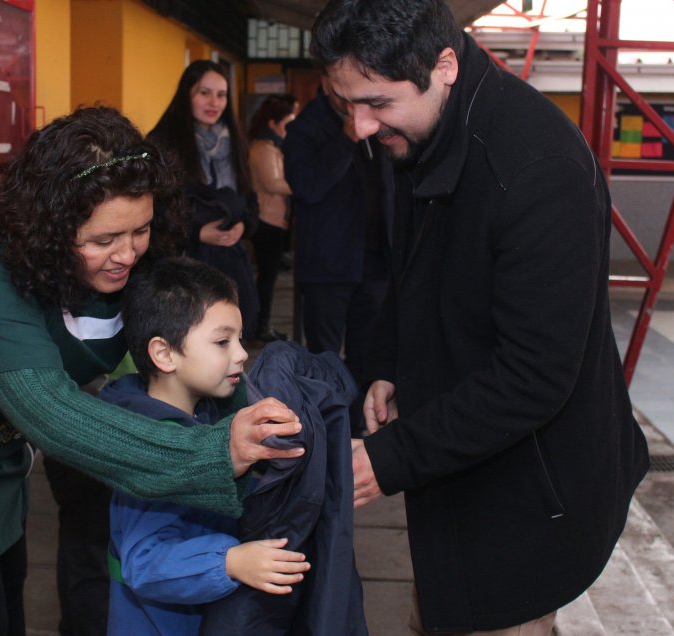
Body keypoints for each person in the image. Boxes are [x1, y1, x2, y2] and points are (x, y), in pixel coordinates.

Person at [0, 106, 304, 636]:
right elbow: (52, 413)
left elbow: (196, 338)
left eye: (141, 230)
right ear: (51, 229)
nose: (127, 254)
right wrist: (215, 452)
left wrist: (255, 426)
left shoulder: (125, 244)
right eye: (103, 241)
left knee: (8, 596)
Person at [310, 1, 651, 634]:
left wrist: (387, 460)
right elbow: (412, 270)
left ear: (444, 65)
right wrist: (390, 363)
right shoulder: (427, 130)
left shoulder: (535, 169)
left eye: (377, 103)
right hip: (461, 465)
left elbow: (534, 376)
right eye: (345, 103)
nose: (359, 126)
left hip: (531, 493)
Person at [101, 256, 311, 635]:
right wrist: (228, 562)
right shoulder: (152, 448)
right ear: (164, 354)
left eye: (240, 339)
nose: (242, 354)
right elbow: (143, 562)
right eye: (222, 341)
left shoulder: (205, 415)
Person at [282, 74, 393, 394]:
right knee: (325, 360)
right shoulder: (304, 128)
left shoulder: (378, 118)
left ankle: (359, 430)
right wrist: (346, 139)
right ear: (327, 82)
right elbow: (307, 187)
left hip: (374, 262)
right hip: (328, 266)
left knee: (368, 354)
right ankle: (329, 430)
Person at [148, 60, 261, 340]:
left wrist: (243, 226)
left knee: (231, 336)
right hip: (183, 264)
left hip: (230, 263)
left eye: (221, 95)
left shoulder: (234, 142)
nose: (214, 102)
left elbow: (249, 199)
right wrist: (198, 233)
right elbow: (152, 209)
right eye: (204, 93)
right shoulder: (163, 144)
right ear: (187, 94)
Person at [247, 93, 297, 343]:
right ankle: (260, 326)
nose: (290, 129)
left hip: (275, 218)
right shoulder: (264, 148)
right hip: (267, 220)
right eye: (287, 123)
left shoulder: (272, 146)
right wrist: (304, 184)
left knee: (269, 277)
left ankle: (262, 324)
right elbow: (273, 182)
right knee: (266, 278)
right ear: (272, 123)